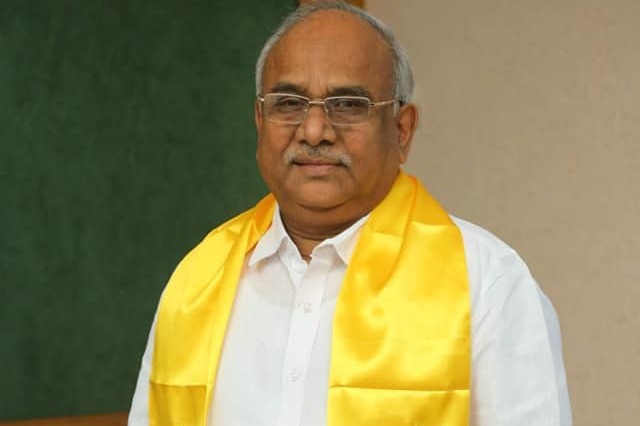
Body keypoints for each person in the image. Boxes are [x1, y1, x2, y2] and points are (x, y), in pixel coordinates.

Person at [128, 2, 572, 425]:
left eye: (347, 105)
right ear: (260, 122)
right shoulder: (199, 282)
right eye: (288, 103)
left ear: (402, 130)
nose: (314, 131)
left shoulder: (486, 282)